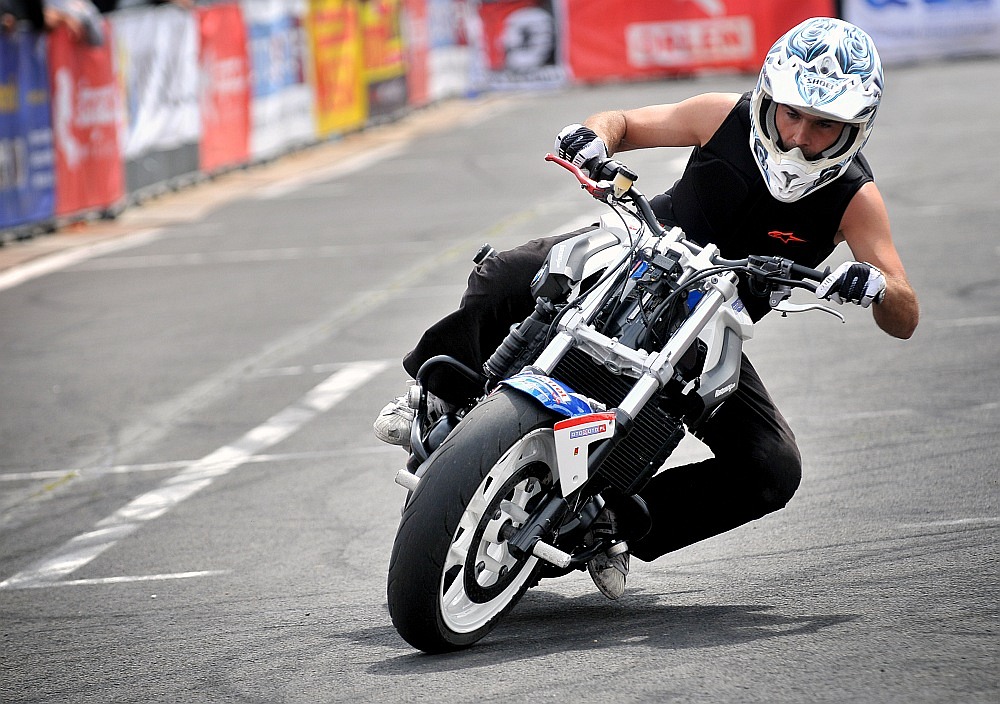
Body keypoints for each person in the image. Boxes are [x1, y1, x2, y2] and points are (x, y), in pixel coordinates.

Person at [374, 17, 919, 599]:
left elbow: (905, 312)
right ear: (769, 98)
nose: (800, 136)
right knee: (508, 271)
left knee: (772, 467)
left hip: (705, 330)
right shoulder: (722, 116)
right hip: (640, 252)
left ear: (853, 130)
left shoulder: (855, 197)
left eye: (824, 124)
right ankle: (437, 395)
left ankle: (614, 525)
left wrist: (877, 288)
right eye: (791, 114)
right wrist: (593, 139)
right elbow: (625, 123)